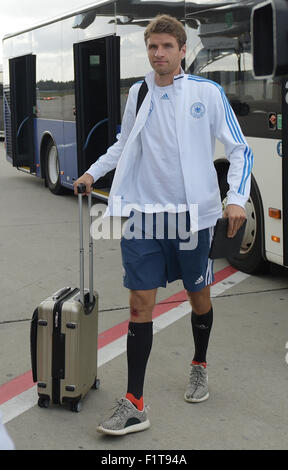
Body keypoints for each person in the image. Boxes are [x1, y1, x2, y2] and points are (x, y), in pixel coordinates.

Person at [74, 15, 252, 436]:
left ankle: (199, 364)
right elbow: (122, 143)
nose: (159, 54)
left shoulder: (206, 93)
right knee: (140, 304)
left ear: (182, 50)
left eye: (166, 47)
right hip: (144, 216)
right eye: (153, 47)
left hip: (194, 218)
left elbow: (239, 148)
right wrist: (91, 172)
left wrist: (237, 200)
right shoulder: (138, 92)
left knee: (198, 295)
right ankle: (135, 401)